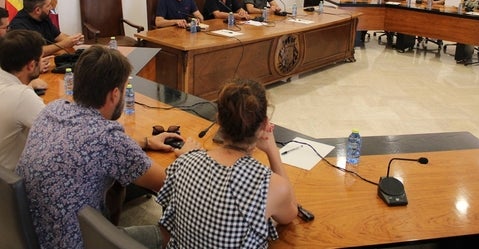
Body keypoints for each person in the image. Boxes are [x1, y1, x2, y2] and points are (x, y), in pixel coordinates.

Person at [15, 46, 189, 249]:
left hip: (34, 232)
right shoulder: (108, 138)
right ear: (115, 94)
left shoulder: (53, 109)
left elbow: (90, 146)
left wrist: (147, 142)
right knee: (172, 232)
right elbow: (165, 184)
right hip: (76, 242)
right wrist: (187, 156)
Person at [157, 78, 298, 248]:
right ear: (264, 125)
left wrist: (190, 155)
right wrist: (272, 150)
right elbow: (290, 214)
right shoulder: (270, 185)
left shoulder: (185, 162)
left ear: (219, 121)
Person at [0, 30, 45, 170]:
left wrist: (30, 84)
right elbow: (57, 132)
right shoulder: (22, 96)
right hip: (13, 182)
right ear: (31, 65)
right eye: (41, 59)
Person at [9, 0, 83, 55]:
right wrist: (63, 44)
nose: (51, 8)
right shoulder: (18, 26)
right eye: (48, 6)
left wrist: (75, 39)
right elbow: (34, 52)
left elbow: (58, 36)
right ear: (37, 10)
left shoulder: (43, 17)